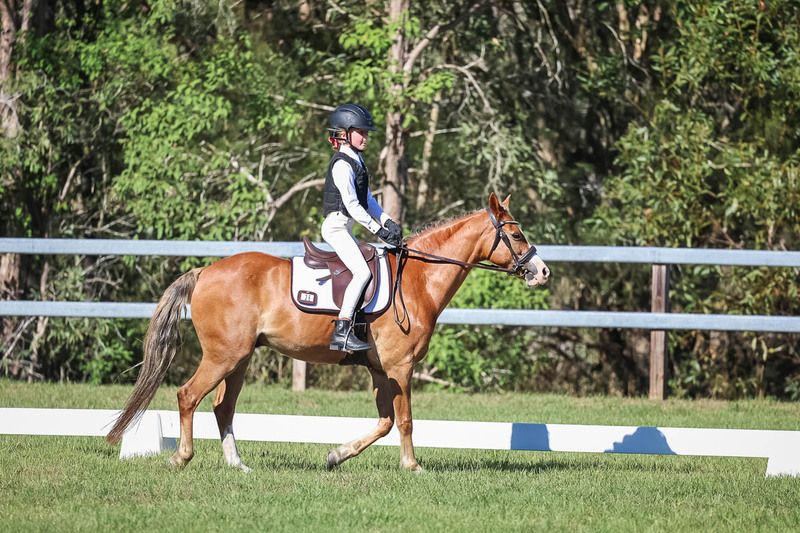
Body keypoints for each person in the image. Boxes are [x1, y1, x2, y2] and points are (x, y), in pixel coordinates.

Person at [322, 103, 403, 352]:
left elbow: (368, 200)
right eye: (361, 132)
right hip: (336, 226)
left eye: (366, 133)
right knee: (362, 273)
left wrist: (388, 221)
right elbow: (353, 205)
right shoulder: (342, 164)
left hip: (345, 226)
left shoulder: (356, 160)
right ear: (344, 133)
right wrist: (378, 231)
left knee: (373, 265)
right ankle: (342, 330)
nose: (366, 137)